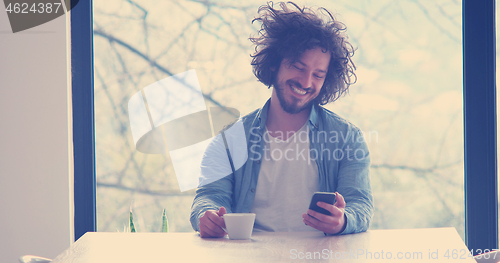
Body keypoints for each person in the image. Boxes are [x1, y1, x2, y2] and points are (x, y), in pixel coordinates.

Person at [190, 1, 373, 238]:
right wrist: (207, 214)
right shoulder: (229, 139)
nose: (307, 82)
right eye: (298, 67)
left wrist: (344, 220)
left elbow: (361, 203)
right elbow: (208, 196)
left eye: (318, 75)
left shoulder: (348, 138)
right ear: (275, 64)